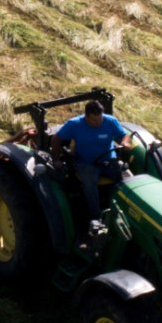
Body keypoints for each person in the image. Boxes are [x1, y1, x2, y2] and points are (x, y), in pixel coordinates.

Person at [50, 100, 133, 240]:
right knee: (89, 182)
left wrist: (125, 142)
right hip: (86, 162)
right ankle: (96, 217)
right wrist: (56, 159)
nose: (98, 123)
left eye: (100, 119)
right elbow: (56, 139)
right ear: (86, 116)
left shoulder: (110, 121)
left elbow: (123, 135)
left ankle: (127, 211)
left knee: (126, 178)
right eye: (94, 120)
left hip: (108, 160)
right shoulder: (74, 124)